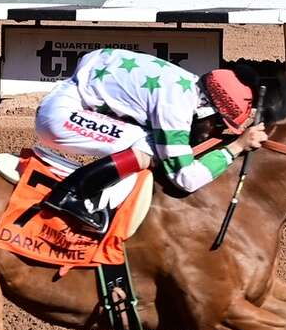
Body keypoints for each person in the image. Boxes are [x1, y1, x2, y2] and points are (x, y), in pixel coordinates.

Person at [34, 48, 268, 235]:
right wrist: (236, 147)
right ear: (207, 109)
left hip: (72, 95)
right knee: (147, 146)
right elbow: (185, 179)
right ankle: (68, 195)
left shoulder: (187, 83)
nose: (213, 131)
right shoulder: (176, 107)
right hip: (60, 115)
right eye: (218, 124)